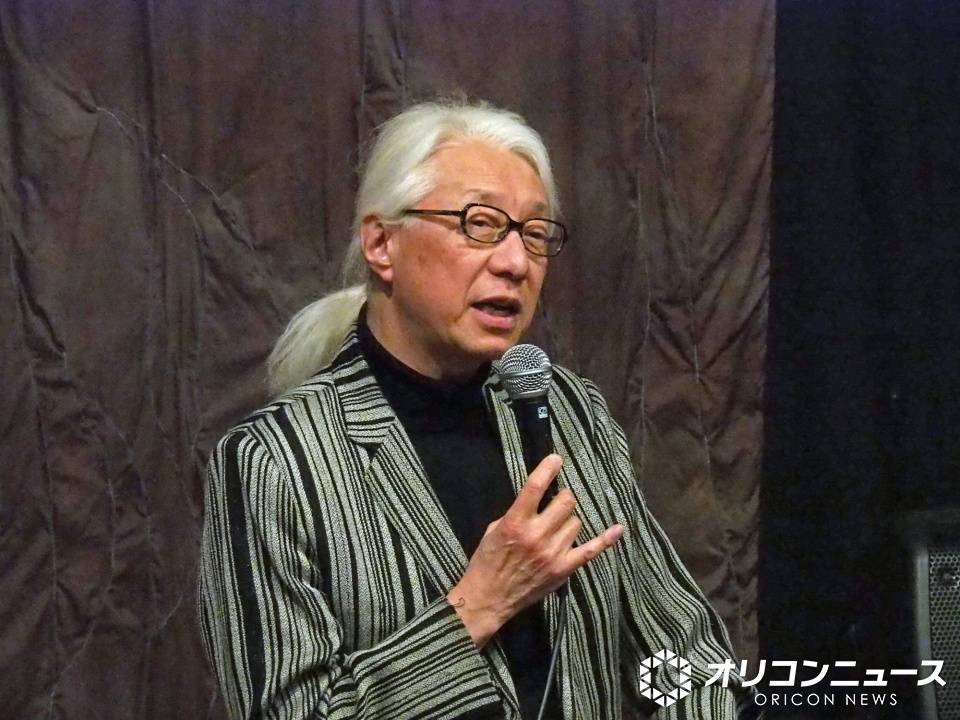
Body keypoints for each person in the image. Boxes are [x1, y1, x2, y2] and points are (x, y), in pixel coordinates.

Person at [198, 100, 758, 719]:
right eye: (479, 224)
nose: (515, 263)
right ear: (381, 242)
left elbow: (684, 661)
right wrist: (478, 605)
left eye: (535, 234)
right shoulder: (273, 462)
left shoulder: (569, 412)